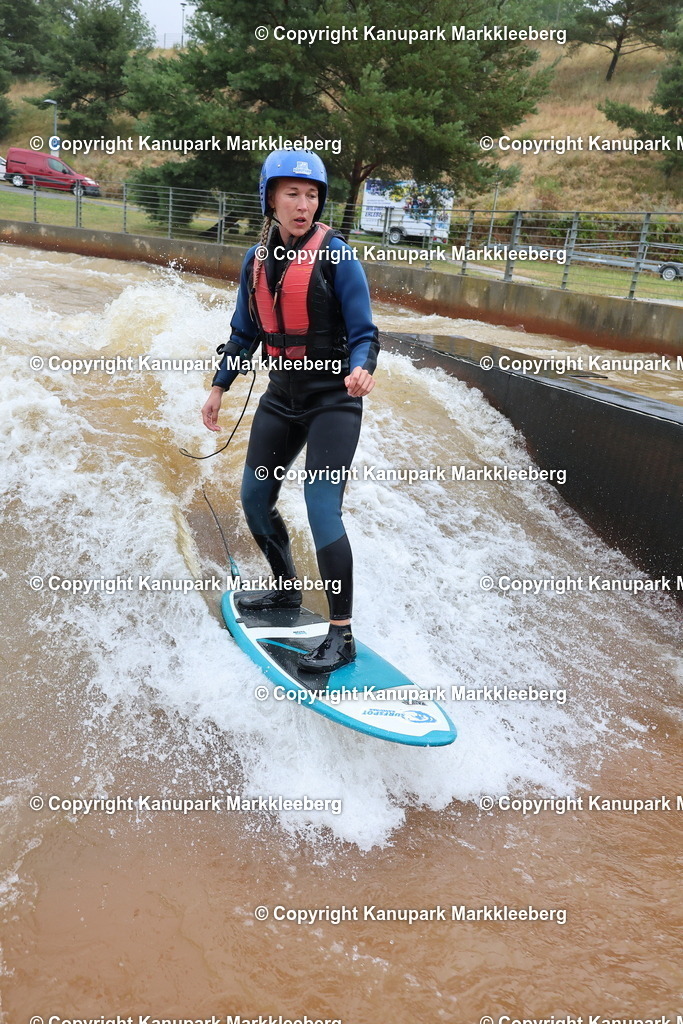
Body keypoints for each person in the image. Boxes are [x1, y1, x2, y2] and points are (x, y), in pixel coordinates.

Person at [201, 150, 379, 677]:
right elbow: (244, 333)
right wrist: (219, 387)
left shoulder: (338, 257)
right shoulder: (253, 262)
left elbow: (366, 334)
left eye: (312, 195)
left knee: (322, 506)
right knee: (255, 498)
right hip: (282, 398)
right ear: (270, 199)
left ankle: (342, 634)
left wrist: (362, 367)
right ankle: (284, 589)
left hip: (333, 401)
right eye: (292, 194)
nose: (304, 205)